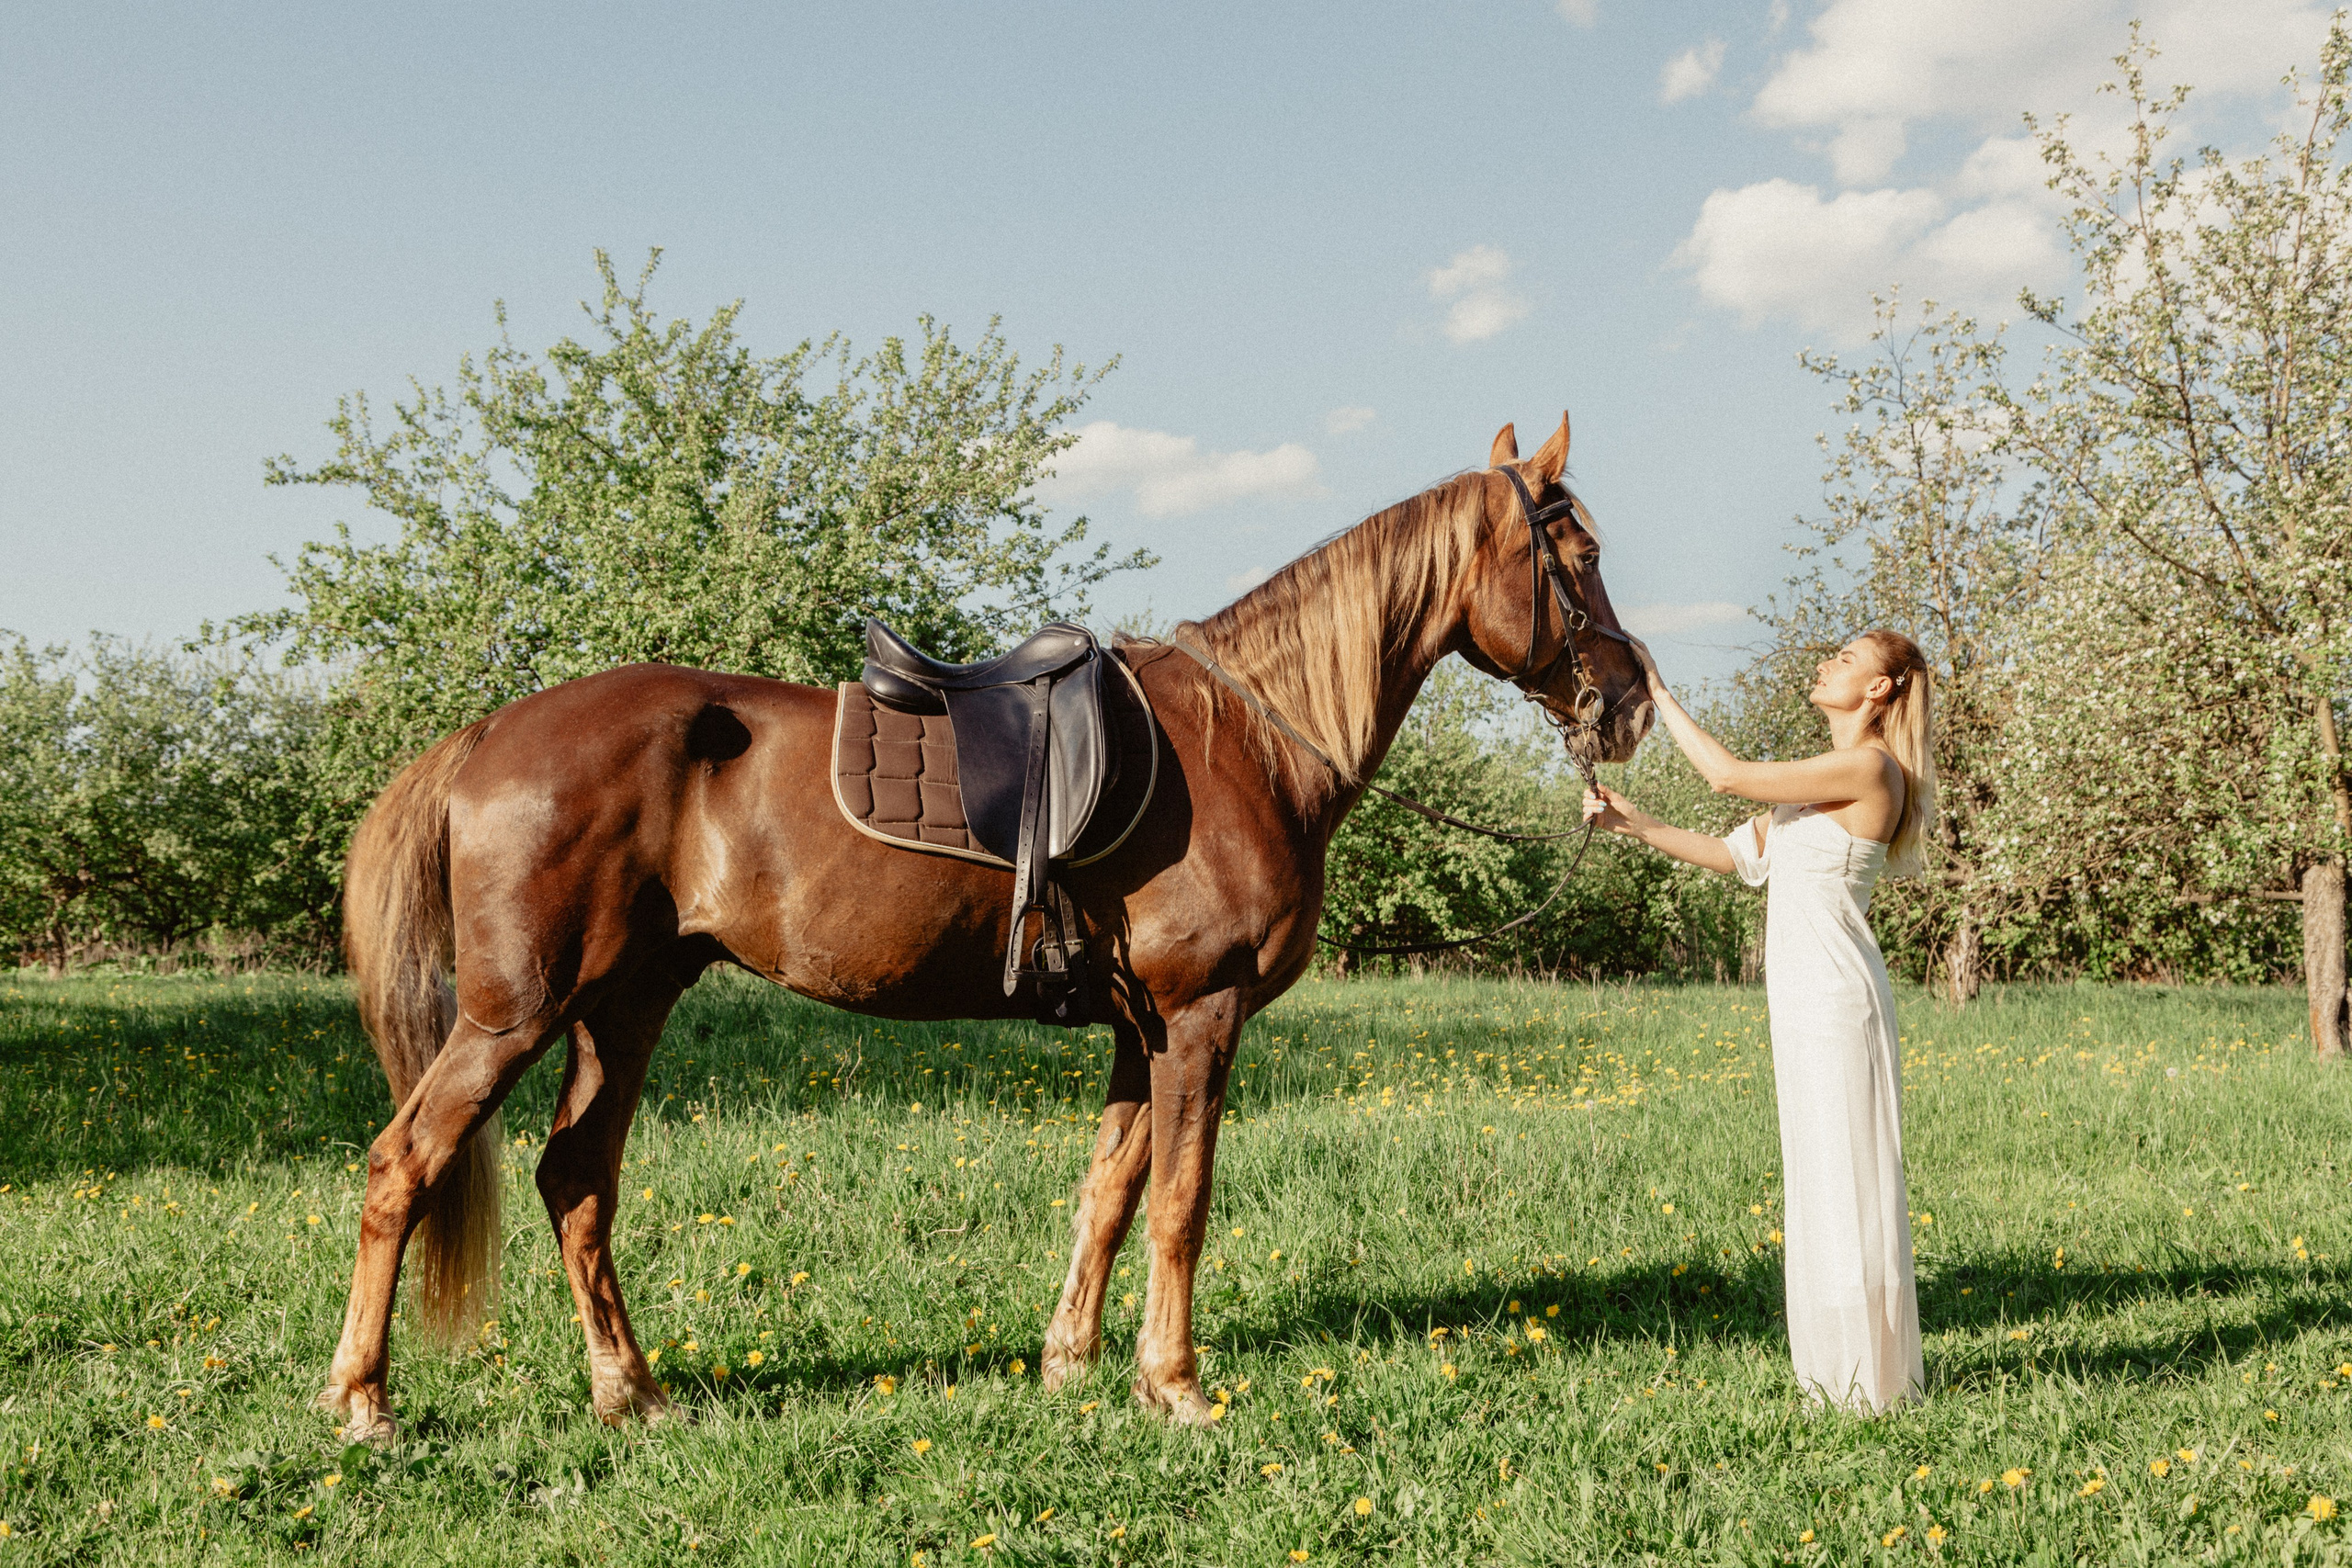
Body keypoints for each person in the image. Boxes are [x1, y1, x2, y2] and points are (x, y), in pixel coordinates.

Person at [1583, 629, 1935, 1415]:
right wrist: (1633, 824)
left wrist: (1657, 690)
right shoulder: (1817, 784)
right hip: (1803, 1002)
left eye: (1846, 659)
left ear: (1880, 691)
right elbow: (1736, 855)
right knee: (1819, 1175)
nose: (1825, 663)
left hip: (1839, 998)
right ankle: (1838, 1376)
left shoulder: (1869, 767)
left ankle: (1869, 1385)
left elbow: (1726, 776)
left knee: (1848, 1177)